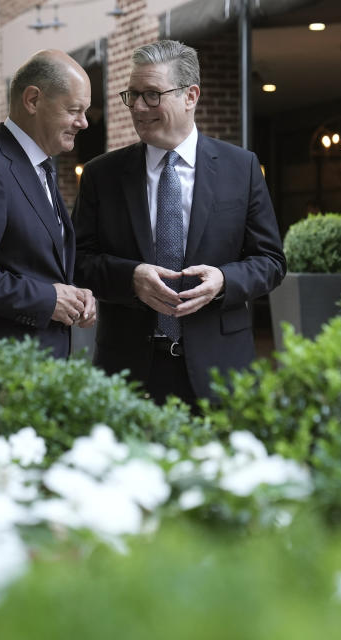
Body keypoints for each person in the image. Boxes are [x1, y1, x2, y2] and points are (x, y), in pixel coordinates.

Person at [73, 40, 286, 405]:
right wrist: (131, 278)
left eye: (152, 95)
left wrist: (224, 280)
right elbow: (77, 261)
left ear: (191, 96)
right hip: (127, 370)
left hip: (221, 371)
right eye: (133, 95)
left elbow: (270, 261)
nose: (139, 107)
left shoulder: (242, 168)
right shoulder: (101, 175)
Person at [0, 49, 96, 358]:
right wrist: (47, 300)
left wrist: (75, 296)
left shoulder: (41, 167)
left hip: (34, 363)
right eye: (75, 109)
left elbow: (37, 263)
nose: (84, 123)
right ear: (33, 100)